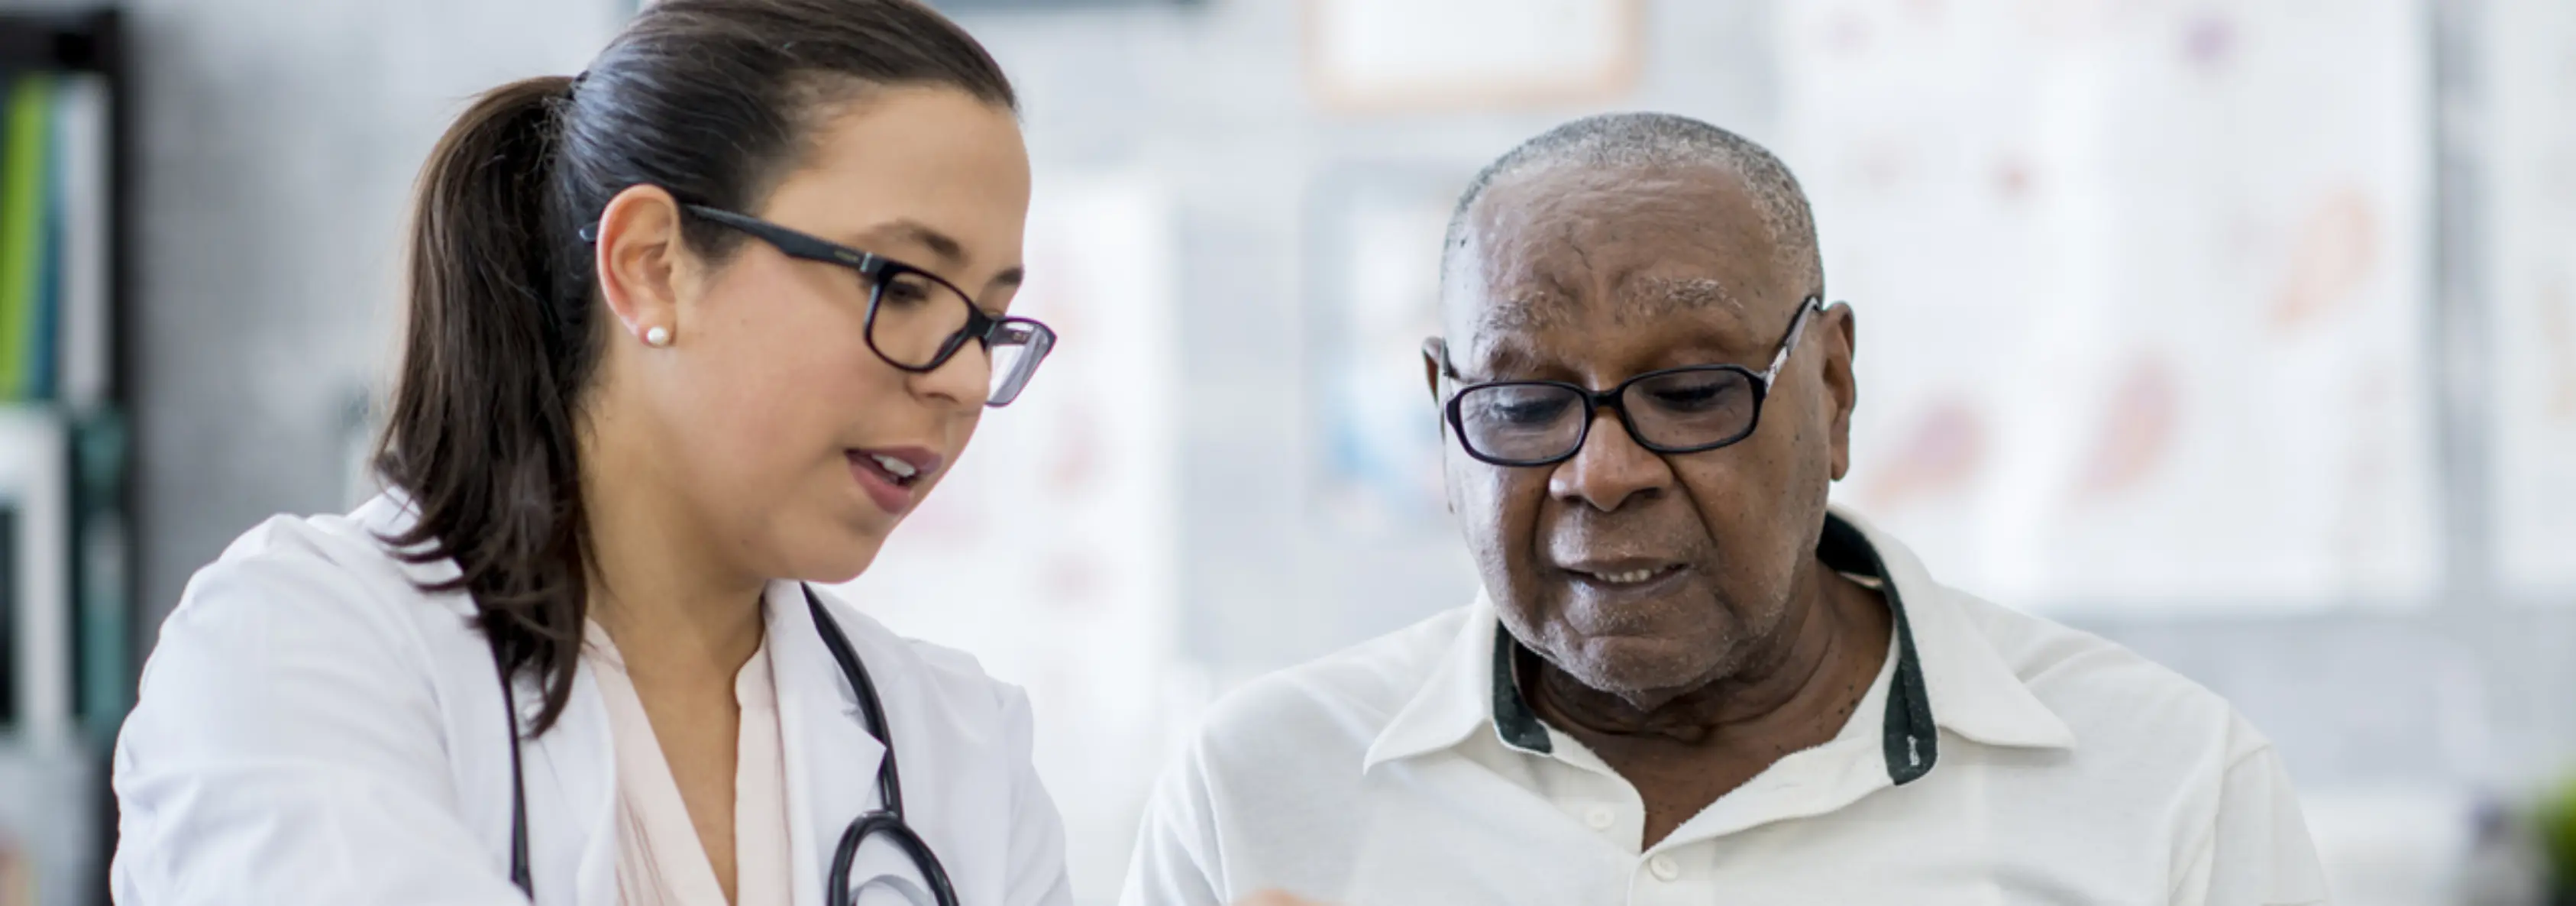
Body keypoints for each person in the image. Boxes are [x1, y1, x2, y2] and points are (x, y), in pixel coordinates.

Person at [1122, 112, 2332, 905]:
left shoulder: (2168, 779)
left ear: (1834, 388)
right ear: (1444, 415)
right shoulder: (1264, 786)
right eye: (1526, 403)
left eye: (1694, 392)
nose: (1602, 472)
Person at [109, 2, 1071, 903]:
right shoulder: (297, 647)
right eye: (904, 286)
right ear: (650, 265)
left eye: (989, 322)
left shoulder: (964, 750)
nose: (965, 379)